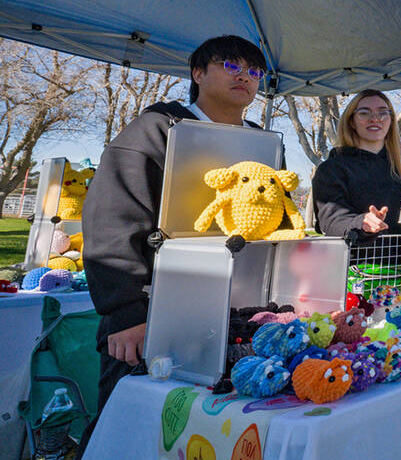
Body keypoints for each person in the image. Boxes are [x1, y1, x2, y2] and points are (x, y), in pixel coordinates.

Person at [84, 35, 269, 415]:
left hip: (236, 311)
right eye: (231, 65)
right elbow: (113, 220)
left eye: (255, 71)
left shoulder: (265, 144)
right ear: (197, 73)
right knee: (131, 427)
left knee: (214, 428)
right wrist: (126, 314)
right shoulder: (155, 128)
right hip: (152, 314)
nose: (245, 77)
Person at [311, 90, 401, 250]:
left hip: (395, 272)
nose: (375, 119)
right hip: (346, 270)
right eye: (364, 113)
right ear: (351, 121)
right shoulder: (332, 169)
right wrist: (362, 223)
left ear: (391, 120)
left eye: (383, 113)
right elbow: (331, 221)